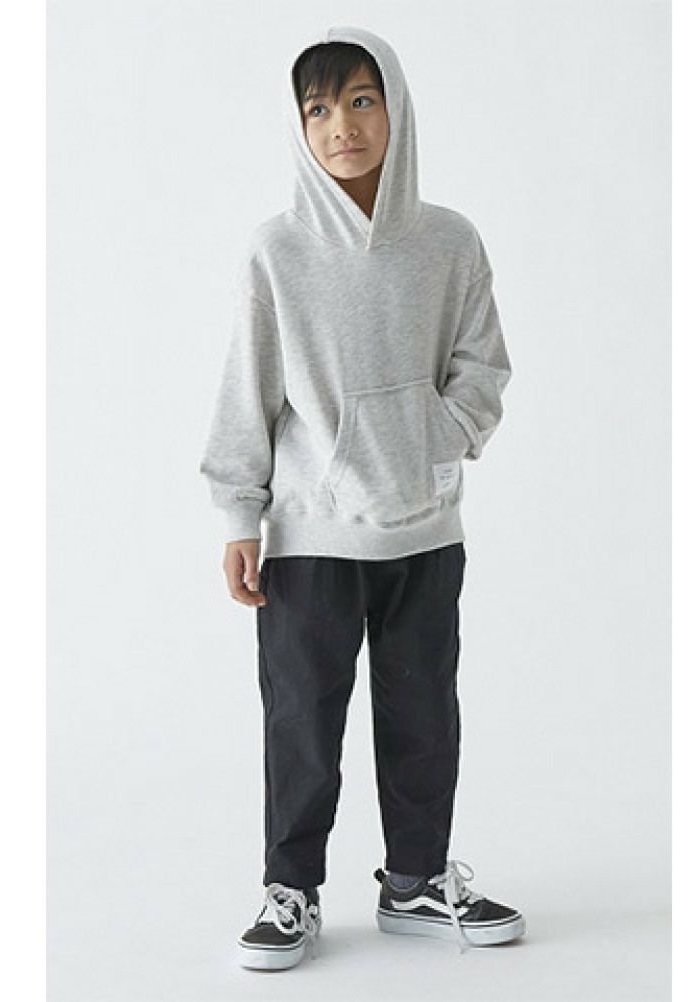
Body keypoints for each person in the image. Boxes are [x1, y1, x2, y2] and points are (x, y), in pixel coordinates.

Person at [199, 26, 524, 970]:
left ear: (396, 110)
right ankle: (291, 891)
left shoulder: (449, 242)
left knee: (424, 716)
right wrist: (240, 515)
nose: (341, 124)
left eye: (360, 100)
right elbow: (249, 390)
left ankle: (415, 881)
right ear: (300, 127)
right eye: (318, 108)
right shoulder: (277, 252)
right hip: (311, 533)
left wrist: (430, 441)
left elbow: (482, 369)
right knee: (302, 720)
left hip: (425, 529)